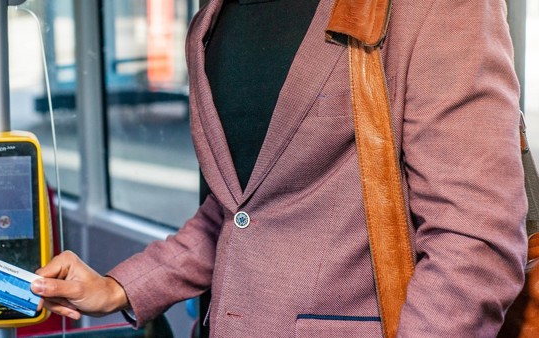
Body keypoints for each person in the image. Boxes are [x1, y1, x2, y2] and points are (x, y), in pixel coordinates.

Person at [30, 0, 528, 336]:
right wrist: (119, 286)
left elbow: (474, 244)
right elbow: (240, 209)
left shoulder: (432, 8)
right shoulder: (213, 16)